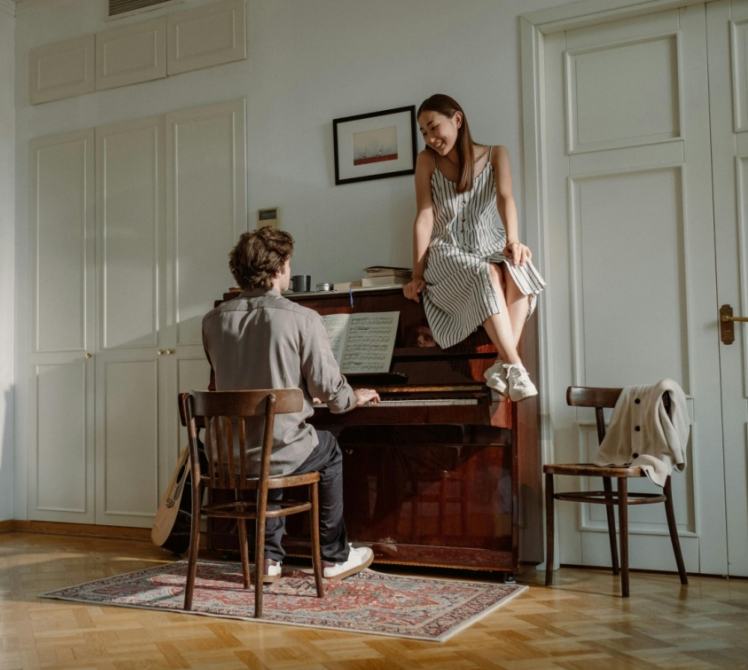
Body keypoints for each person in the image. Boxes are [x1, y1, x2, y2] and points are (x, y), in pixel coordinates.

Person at [201, 226, 379, 582]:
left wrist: (294, 394)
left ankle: (267, 559)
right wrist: (351, 397)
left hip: (225, 455)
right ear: (280, 267)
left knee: (271, 438)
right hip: (276, 450)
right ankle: (333, 556)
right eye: (288, 263)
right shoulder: (302, 317)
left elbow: (233, 381)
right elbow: (331, 390)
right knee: (325, 447)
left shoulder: (212, 320)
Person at [402, 94, 545, 401]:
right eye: (423, 132)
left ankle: (499, 366)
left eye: (433, 127)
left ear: (457, 119)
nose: (429, 137)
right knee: (487, 273)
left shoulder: (496, 154)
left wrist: (513, 241)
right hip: (446, 250)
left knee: (518, 266)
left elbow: (506, 198)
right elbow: (425, 216)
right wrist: (417, 274)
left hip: (488, 243)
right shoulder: (426, 160)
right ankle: (515, 366)